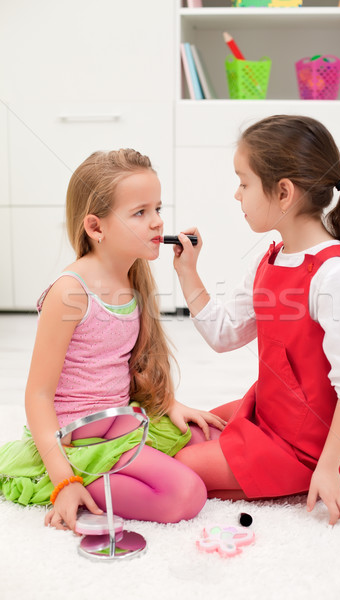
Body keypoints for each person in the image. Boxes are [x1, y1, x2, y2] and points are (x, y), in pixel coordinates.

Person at [173, 115, 340, 529]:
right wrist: (188, 271)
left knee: (185, 464)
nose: (236, 194)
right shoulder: (271, 258)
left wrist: (328, 468)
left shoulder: (335, 276)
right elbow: (224, 336)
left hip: (310, 446)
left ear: (283, 192)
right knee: (187, 433)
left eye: (243, 183)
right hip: (275, 416)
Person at [0, 148, 226, 531]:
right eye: (140, 213)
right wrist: (64, 482)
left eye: (157, 209)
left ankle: (140, 469)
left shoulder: (132, 277)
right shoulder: (70, 292)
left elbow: (125, 365)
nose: (157, 223)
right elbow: (37, 396)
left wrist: (170, 403)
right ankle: (81, 481)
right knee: (187, 495)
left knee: (215, 436)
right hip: (80, 443)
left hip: (125, 422)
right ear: (96, 227)